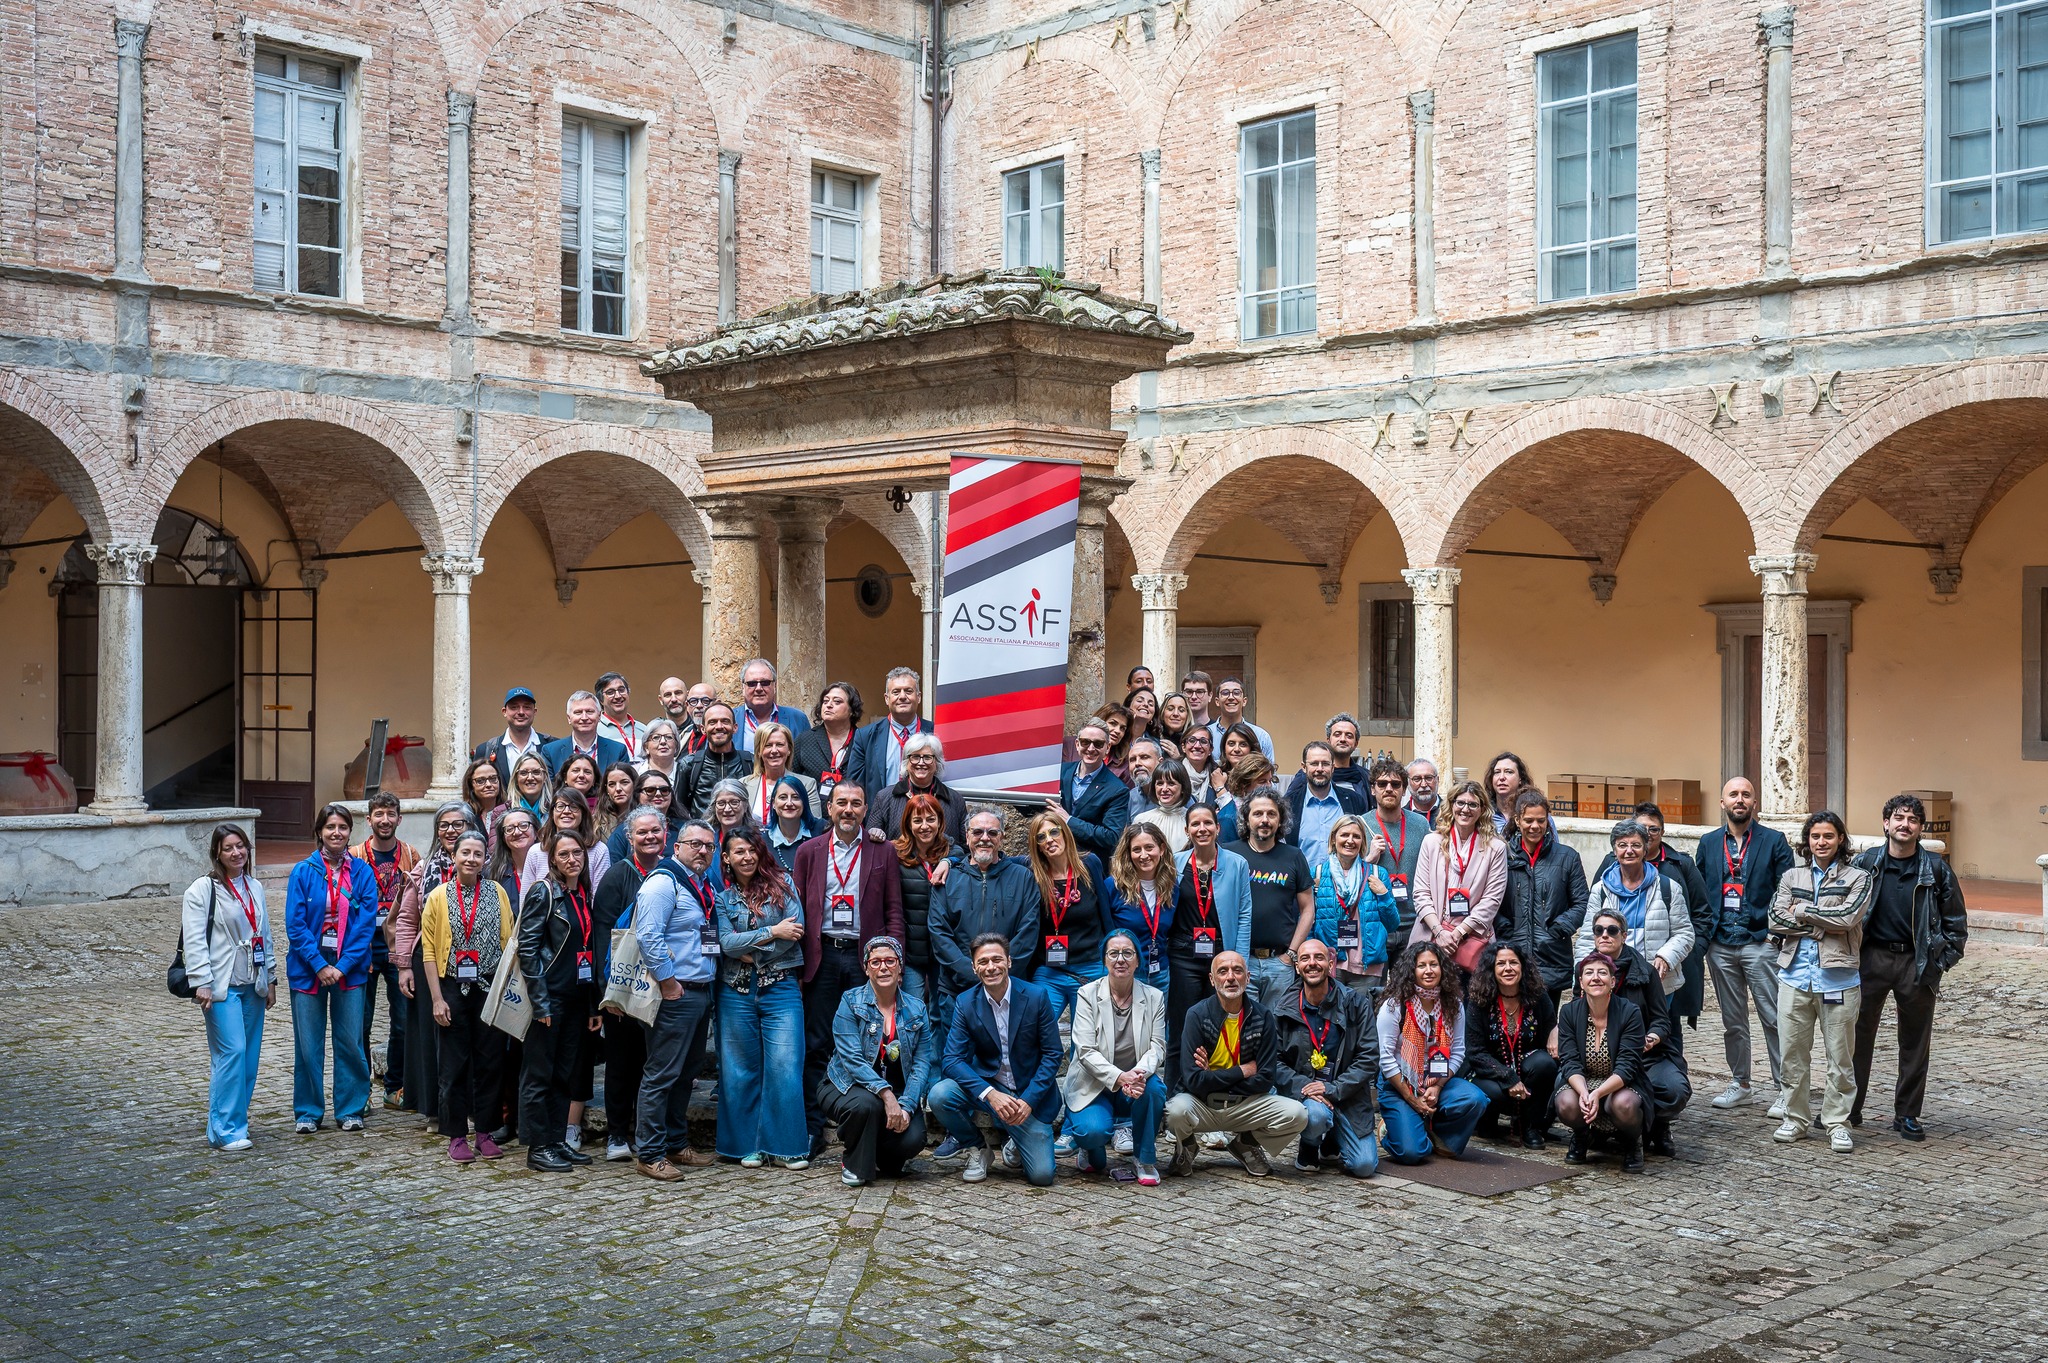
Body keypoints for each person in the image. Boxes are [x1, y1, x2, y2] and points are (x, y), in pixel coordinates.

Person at [795, 782, 907, 1157]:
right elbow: (799, 909)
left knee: (872, 1044)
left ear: (865, 809)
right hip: (823, 956)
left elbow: (894, 909)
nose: (848, 809)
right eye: (841, 802)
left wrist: (894, 959)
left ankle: (863, 1124)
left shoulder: (882, 851)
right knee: (816, 1044)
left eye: (855, 803)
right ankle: (813, 1128)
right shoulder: (809, 851)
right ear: (828, 808)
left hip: (867, 960)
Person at [1849, 793, 1967, 1141]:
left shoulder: (1936, 869)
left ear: (1920, 828)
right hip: (1870, 959)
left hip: (1917, 962)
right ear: (1886, 824)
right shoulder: (1865, 863)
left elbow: (1956, 923)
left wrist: (1940, 962)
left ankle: (1907, 1114)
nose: (1905, 825)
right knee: (1855, 1037)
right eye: (1898, 818)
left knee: (1915, 1042)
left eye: (1912, 820)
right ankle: (1848, 1109)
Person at [1767, 810, 1872, 1152]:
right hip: (1794, 978)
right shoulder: (1791, 876)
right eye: (1815, 836)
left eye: (1828, 836)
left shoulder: (1858, 878)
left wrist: (1800, 911)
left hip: (1838, 980)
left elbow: (1848, 917)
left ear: (1840, 839)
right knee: (1792, 1055)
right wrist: (1819, 925)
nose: (1821, 842)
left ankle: (1837, 1123)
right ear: (1807, 841)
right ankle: (1795, 1119)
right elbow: (1774, 918)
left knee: (1840, 1058)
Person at [928, 934, 1063, 1186]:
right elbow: (952, 1059)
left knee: (1042, 1176)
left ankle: (1017, 1140)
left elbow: (1053, 1053)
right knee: (939, 1094)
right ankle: (978, 1147)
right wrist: (989, 1094)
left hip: (1029, 1096)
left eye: (997, 959)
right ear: (974, 967)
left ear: (1009, 961)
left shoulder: (1036, 996)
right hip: (991, 1087)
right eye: (983, 962)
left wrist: (1029, 1100)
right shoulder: (966, 1002)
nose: (991, 967)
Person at [1696, 777, 1794, 1112]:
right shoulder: (1709, 843)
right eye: (1733, 794)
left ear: (1755, 803)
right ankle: (1741, 1084)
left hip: (1759, 943)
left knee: (1773, 1017)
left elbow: (1788, 890)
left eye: (1746, 795)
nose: (1740, 799)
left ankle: (1786, 1090)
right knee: (1733, 1020)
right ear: (1722, 803)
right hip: (1721, 944)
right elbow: (1699, 891)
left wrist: (1774, 935)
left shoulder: (1774, 841)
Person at [713, 827, 809, 1168]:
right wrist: (771, 931)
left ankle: (786, 1147)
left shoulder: (783, 884)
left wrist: (753, 952)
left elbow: (794, 932)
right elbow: (726, 943)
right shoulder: (722, 899)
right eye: (738, 851)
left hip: (781, 987)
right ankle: (746, 1147)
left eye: (752, 850)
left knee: (785, 1067)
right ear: (727, 858)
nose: (747, 857)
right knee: (739, 1071)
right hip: (735, 991)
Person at [631, 818, 721, 1182]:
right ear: (677, 846)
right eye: (695, 844)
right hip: (675, 994)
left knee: (686, 1074)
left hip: (700, 991)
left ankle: (676, 1143)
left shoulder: (702, 884)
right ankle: (650, 1153)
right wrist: (668, 983)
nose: (702, 851)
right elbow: (647, 936)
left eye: (709, 846)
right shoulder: (663, 882)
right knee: (661, 1074)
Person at [1163, 951, 1308, 1178]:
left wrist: (1212, 1078)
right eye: (1223, 971)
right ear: (1212, 980)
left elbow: (1265, 1079)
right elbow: (1192, 1080)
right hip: (1203, 1104)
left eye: (1237, 971)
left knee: (1297, 1114)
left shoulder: (1263, 1016)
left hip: (1245, 1105)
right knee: (1175, 1111)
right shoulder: (1197, 1015)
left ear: (1247, 978)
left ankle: (1246, 1143)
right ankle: (1187, 1146)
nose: (1230, 977)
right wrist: (1243, 1070)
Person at [285, 804, 379, 1134]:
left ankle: (351, 1108)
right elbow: (295, 925)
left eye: (342, 827)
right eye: (330, 827)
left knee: (350, 1041)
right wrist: (319, 965)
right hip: (307, 969)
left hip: (349, 970)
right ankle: (308, 1112)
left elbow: (365, 926)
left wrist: (341, 967)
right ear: (319, 832)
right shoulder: (302, 871)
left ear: (350, 832)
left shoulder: (363, 873)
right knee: (308, 1045)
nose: (336, 832)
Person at [418, 829, 511, 1162]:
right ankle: (456, 1135)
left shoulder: (498, 892)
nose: (471, 859)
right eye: (465, 853)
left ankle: (485, 1132)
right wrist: (436, 999)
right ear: (454, 857)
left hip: (488, 987)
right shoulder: (438, 897)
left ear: (486, 858)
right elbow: (429, 950)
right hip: (452, 988)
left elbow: (509, 940)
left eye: (478, 854)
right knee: (453, 1065)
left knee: (490, 1063)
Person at [183, 823, 275, 1150]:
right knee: (231, 1052)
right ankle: (227, 1130)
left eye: (240, 846)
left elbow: (265, 934)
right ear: (217, 854)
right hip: (221, 984)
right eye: (228, 848)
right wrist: (201, 982)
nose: (236, 853)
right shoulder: (201, 890)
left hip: (253, 983)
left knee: (248, 1059)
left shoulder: (254, 886)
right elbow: (194, 940)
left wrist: (271, 977)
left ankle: (231, 1121)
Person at [517, 830, 605, 1172]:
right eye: (564, 854)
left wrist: (592, 1005)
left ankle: (556, 1140)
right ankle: (537, 1147)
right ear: (552, 859)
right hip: (549, 998)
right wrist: (540, 1002)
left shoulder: (581, 892)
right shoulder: (544, 891)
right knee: (539, 1074)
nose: (572, 859)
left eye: (577, 853)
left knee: (563, 1075)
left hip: (576, 998)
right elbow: (528, 948)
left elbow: (587, 951)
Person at [821, 937, 934, 1187]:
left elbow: (921, 1064)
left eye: (890, 961)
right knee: (866, 1105)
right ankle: (853, 1162)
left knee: (913, 1139)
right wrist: (886, 1094)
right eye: (876, 962)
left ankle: (873, 1153)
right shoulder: (850, 1002)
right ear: (866, 968)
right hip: (846, 1085)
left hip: (898, 1090)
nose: (883, 967)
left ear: (900, 966)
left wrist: (906, 1106)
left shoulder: (917, 1008)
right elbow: (851, 1059)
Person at [1580, 907, 1692, 1152]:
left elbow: (1662, 1020)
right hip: (1599, 1057)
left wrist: (1651, 1038)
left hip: (1645, 1055)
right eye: (1599, 930)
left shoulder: (1646, 972)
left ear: (1624, 935)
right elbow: (1576, 1015)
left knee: (1674, 1089)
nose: (1605, 935)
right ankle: (1602, 1126)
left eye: (1612, 930)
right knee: (1564, 1083)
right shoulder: (1586, 971)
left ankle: (1656, 1126)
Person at [927, 810, 1039, 1050]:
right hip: (956, 990)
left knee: (1008, 1059)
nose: (985, 838)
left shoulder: (1023, 878)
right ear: (967, 836)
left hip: (1008, 991)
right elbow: (939, 933)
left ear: (1002, 837)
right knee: (957, 1060)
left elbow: (1028, 931)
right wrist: (972, 972)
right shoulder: (947, 879)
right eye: (977, 832)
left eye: (992, 832)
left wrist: (999, 973)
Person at [1065, 930, 1169, 1184]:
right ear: (1104, 960)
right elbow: (1085, 1051)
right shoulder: (1087, 994)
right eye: (1113, 953)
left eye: (1127, 953)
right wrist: (1121, 1077)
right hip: (1094, 1085)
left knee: (1155, 1089)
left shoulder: (1154, 997)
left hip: (1135, 1083)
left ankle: (1144, 1159)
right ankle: (1090, 1149)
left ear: (1137, 960)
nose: (1120, 959)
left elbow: (1157, 1046)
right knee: (1092, 1133)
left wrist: (1138, 1075)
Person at [1601, 802, 1714, 1034]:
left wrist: (1692, 952)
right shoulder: (1610, 867)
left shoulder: (1681, 865)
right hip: (1619, 970)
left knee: (1667, 1032)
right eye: (1642, 829)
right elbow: (1594, 920)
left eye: (1653, 829)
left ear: (1662, 832)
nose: (1648, 834)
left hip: (1667, 968)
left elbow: (1701, 914)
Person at [592, 807, 667, 1161]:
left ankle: (645, 1132)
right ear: (629, 838)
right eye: (642, 832)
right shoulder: (616, 877)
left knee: (651, 1062)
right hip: (623, 987)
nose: (649, 837)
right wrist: (609, 992)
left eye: (655, 831)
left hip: (662, 984)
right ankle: (617, 1134)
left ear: (665, 834)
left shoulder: (671, 872)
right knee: (622, 1062)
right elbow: (602, 938)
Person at [1271, 937, 1380, 1177]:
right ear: (1297, 967)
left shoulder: (1356, 1004)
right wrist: (1306, 1087)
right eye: (1305, 958)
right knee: (1316, 1114)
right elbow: (1274, 1062)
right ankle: (1309, 1146)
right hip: (1307, 1097)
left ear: (1331, 964)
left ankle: (1332, 1140)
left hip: (1348, 1095)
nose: (1312, 963)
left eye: (1319, 957)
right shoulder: (1283, 1008)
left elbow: (1369, 1058)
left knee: (1364, 1166)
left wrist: (1332, 1088)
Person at [1374, 941, 1488, 1164]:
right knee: (1412, 1153)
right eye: (1421, 966)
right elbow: (1386, 1059)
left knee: (1475, 1099)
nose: (1428, 971)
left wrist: (1437, 1086)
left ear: (1442, 969)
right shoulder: (1394, 1006)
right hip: (1399, 1082)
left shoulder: (1453, 1004)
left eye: (1434, 965)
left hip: (1437, 1079)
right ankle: (1391, 1131)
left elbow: (1458, 1052)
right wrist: (1412, 1098)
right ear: (1411, 971)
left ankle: (1439, 1135)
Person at [1164, 804, 1253, 1090]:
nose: (1201, 829)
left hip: (1222, 955)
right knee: (1180, 1027)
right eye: (1195, 824)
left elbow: (1244, 913)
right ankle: (1174, 1094)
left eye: (1207, 823)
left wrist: (1239, 960)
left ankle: (1212, 1091)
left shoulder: (1237, 863)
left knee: (1218, 1025)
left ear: (1218, 827)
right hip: (1183, 956)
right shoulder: (1175, 863)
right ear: (1187, 830)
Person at [1554, 952, 1650, 1171]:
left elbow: (1628, 1066)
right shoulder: (1568, 1012)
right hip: (1584, 1080)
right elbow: (1569, 1061)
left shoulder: (1630, 1012)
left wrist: (1598, 1093)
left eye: (1602, 973)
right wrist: (1585, 1093)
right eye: (1589, 973)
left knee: (1623, 1104)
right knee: (1566, 1103)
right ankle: (1581, 1136)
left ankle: (1632, 1142)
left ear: (1612, 981)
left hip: (1622, 1082)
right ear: (1581, 982)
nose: (1595, 978)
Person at [1023, 810, 1114, 1036]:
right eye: (1041, 837)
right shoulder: (1031, 872)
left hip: (1090, 967)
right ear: (1037, 845)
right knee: (1034, 1032)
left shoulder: (1090, 864)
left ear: (1065, 833)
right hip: (1049, 971)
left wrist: (1111, 956)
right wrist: (951, 860)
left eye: (1054, 832)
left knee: (1085, 1041)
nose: (1049, 840)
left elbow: (1105, 912)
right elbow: (996, 859)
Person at [1496, 789, 1589, 1007]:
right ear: (1517, 820)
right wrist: (1504, 928)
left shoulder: (1567, 857)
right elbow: (1490, 898)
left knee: (1548, 1020)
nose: (1535, 826)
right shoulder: (1502, 855)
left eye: (1541, 820)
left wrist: (1559, 928)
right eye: (1528, 820)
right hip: (1512, 952)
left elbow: (1581, 902)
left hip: (1551, 954)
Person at [352, 791, 415, 1112]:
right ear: (369, 819)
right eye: (379, 814)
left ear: (399, 819)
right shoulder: (354, 856)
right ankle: (359, 1091)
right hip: (361, 950)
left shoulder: (411, 855)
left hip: (397, 949)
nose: (385, 820)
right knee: (359, 1023)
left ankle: (394, 1087)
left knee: (402, 1021)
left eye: (391, 814)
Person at [1224, 786, 1315, 1004]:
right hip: (1239, 961)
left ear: (1280, 820)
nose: (1264, 820)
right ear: (1246, 820)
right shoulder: (1229, 854)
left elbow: (1308, 909)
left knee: (1277, 1023)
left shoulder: (1294, 856)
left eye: (1271, 814)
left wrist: (1291, 955)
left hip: (1279, 963)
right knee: (1241, 1021)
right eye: (1258, 814)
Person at [1462, 941, 1558, 1149]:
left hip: (1525, 1062)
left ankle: (1530, 1126)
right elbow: (1475, 1052)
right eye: (1501, 963)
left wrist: (1555, 1032)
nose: (1508, 968)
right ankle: (1487, 1120)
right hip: (1488, 1068)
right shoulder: (1479, 1000)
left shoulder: (1538, 996)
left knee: (1545, 1064)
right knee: (1495, 1093)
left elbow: (1551, 1027)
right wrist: (1509, 1077)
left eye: (1513, 963)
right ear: (1491, 969)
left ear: (1523, 967)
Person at [1409, 781, 1506, 975]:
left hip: (1473, 942)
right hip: (1431, 938)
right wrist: (1440, 932)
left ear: (1482, 809)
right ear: (1451, 805)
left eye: (1473, 804)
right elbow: (1420, 893)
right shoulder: (1431, 842)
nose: (1465, 809)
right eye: (1460, 803)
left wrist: (1458, 933)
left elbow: (1491, 901)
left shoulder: (1496, 848)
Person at [1308, 814, 1400, 997]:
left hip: (1367, 966)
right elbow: (1308, 920)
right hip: (1330, 963)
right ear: (1333, 839)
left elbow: (1392, 924)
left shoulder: (1377, 874)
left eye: (1356, 836)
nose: (1350, 841)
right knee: (1331, 1013)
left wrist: (1383, 894)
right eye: (1344, 835)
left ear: (1362, 842)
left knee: (1363, 1014)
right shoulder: (1318, 874)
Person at [890, 793, 951, 1007]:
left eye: (931, 819)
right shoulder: (894, 854)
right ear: (908, 824)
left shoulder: (951, 852)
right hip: (911, 953)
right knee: (912, 1010)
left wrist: (949, 861)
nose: (925, 826)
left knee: (941, 1011)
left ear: (940, 821)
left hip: (942, 951)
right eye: (917, 820)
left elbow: (962, 851)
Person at [1364, 756, 1431, 944]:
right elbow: (1347, 875)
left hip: (1415, 923)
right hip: (1377, 922)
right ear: (1373, 789)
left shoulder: (1421, 825)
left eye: (1395, 784)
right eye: (1382, 784)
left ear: (1404, 790)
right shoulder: (1360, 825)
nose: (1389, 789)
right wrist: (1368, 859)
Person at [1104, 823, 1177, 993]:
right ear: (1129, 854)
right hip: (1125, 973)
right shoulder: (1113, 887)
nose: (1144, 855)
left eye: (1149, 847)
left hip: (1160, 972)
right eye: (1136, 850)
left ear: (1162, 849)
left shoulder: (1172, 887)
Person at [866, 732, 967, 847]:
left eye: (928, 757)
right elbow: (871, 843)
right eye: (915, 757)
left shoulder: (955, 800)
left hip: (943, 859)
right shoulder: (885, 797)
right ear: (906, 762)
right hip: (898, 859)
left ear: (937, 763)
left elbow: (966, 846)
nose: (921, 763)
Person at [1052, 719, 1130, 862]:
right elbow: (1036, 807)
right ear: (1077, 744)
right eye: (1085, 742)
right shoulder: (1059, 772)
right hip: (1051, 860)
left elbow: (1111, 836)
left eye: (1098, 744)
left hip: (1088, 865)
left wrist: (1069, 821)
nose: (1091, 748)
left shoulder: (1118, 790)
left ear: (1107, 748)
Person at [1284, 740, 1368, 869]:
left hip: (1344, 879)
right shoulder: (1289, 804)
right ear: (1303, 767)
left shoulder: (1353, 801)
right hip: (1302, 879)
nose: (1320, 769)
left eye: (1325, 764)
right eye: (1314, 764)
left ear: (1333, 767)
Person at [847, 668, 931, 796]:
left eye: (908, 691)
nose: (902, 696)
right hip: (882, 808)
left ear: (918, 697)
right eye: (896, 692)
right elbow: (854, 787)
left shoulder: (935, 732)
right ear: (887, 699)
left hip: (925, 807)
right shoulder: (865, 737)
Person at [522, 787, 612, 889]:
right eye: (560, 806)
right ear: (552, 813)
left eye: (573, 807)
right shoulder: (536, 852)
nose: (566, 811)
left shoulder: (599, 850)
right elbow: (527, 896)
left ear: (583, 813)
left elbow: (599, 896)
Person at [743, 720, 822, 830]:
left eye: (779, 745)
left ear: (789, 749)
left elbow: (815, 827)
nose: (774, 750)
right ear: (759, 751)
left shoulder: (807, 784)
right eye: (768, 745)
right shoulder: (743, 785)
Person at [677, 702, 749, 817]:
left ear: (735, 727)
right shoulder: (689, 764)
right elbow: (679, 811)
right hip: (702, 828)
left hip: (741, 828)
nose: (719, 726)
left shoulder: (749, 762)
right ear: (703, 729)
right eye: (712, 722)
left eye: (725, 721)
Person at [471, 685, 552, 786]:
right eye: (514, 707)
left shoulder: (552, 747)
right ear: (504, 712)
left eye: (526, 707)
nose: (521, 712)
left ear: (534, 712)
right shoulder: (485, 750)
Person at [793, 681, 863, 799]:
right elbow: (791, 779)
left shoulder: (863, 740)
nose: (829, 705)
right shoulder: (804, 740)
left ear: (851, 710)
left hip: (851, 807)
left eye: (837, 702)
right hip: (813, 808)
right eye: (825, 701)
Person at [541, 690, 629, 778]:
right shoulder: (551, 752)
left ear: (599, 716)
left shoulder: (618, 751)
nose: (584, 718)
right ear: (569, 718)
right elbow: (549, 785)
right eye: (578, 712)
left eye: (589, 711)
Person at [604, 768, 685, 863]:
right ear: (637, 795)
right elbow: (614, 868)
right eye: (650, 790)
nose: (658, 794)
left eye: (664, 790)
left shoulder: (685, 828)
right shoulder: (623, 831)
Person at [736, 657, 813, 752]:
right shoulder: (729, 720)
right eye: (752, 683)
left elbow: (808, 756)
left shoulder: (798, 719)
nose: (759, 688)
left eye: (765, 683)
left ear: (775, 686)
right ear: (743, 688)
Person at [765, 774, 823, 875]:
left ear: (804, 802)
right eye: (783, 797)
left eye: (796, 797)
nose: (789, 803)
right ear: (773, 803)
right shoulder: (763, 842)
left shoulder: (822, 831)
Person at [1133, 756, 1192, 851]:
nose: (1164, 789)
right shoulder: (1141, 820)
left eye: (1171, 783)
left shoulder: (1192, 821)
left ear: (1183, 788)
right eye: (1160, 783)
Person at [1208, 678, 1274, 760]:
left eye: (1236, 693)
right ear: (1217, 701)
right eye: (1225, 693)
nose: (1231, 697)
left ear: (1244, 701)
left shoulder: (1261, 736)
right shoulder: (1206, 735)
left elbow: (1269, 768)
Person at [594, 672, 647, 760]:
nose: (618, 696)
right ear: (600, 700)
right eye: (610, 692)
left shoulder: (644, 730)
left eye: (621, 690)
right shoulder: (595, 730)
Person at [1484, 751, 1535, 837]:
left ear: (1520, 779)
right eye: (1497, 772)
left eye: (1509, 772)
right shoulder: (1483, 812)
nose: (1501, 777)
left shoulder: (1535, 811)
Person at [593, 761, 637, 845]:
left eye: (624, 782)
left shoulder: (647, 816)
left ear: (635, 784)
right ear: (606, 789)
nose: (618, 789)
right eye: (612, 784)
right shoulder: (596, 822)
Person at [506, 752, 553, 823]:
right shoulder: (501, 812)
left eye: (536, 772)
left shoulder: (555, 810)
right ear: (516, 779)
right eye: (523, 773)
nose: (530, 778)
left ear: (545, 777)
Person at [459, 758, 505, 829]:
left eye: (493, 778)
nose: (488, 784)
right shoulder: (464, 815)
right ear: (471, 785)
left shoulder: (510, 812)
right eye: (480, 781)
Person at [1124, 736, 1163, 819]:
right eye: (1132, 759)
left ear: (1160, 762)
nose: (1137, 763)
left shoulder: (1175, 794)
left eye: (1144, 757)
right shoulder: (1130, 798)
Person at [675, 681, 719, 756]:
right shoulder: (683, 736)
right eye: (693, 701)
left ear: (717, 704)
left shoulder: (723, 735)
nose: (699, 706)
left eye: (705, 701)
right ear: (687, 706)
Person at [638, 719, 685, 785]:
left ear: (676, 745)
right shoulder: (636, 773)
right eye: (656, 737)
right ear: (646, 747)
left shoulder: (686, 773)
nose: (663, 742)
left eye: (669, 737)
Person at [1404, 758, 1442, 826]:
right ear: (1407, 783)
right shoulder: (1400, 817)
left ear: (1437, 780)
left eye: (1429, 778)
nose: (1423, 785)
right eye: (1417, 779)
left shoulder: (1451, 812)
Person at [1157, 690, 1195, 756]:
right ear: (1162, 713)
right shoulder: (1151, 737)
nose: (1176, 714)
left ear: (1187, 716)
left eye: (1181, 710)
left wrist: (1178, 758)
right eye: (1170, 709)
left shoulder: (1195, 742)